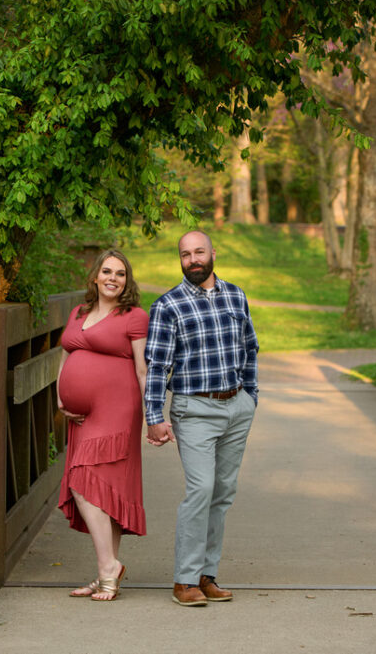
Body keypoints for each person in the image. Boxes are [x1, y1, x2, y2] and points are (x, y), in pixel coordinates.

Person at [144, 230, 259, 607]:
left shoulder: (235, 295)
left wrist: (250, 397)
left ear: (213, 253)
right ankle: (184, 580)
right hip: (194, 410)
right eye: (185, 254)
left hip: (235, 407)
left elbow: (250, 347)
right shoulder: (168, 305)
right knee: (201, 490)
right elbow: (157, 366)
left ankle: (207, 575)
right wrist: (153, 416)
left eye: (198, 252)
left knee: (223, 493)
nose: (192, 259)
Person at [56, 249, 148, 601]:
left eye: (121, 273)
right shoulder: (77, 313)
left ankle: (109, 567)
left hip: (118, 408)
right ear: (95, 276)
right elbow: (65, 355)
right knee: (103, 489)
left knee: (83, 481)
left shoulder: (134, 316)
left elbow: (142, 368)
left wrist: (153, 414)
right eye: (107, 271)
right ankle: (106, 571)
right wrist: (60, 396)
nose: (113, 278)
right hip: (80, 415)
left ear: (127, 280)